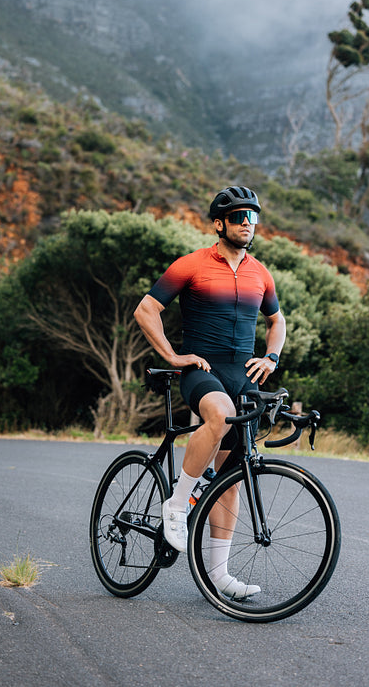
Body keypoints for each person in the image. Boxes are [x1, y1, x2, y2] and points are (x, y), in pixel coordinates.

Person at [133, 186, 286, 598]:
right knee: (217, 414)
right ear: (219, 223)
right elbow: (146, 309)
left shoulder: (260, 273)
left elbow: (277, 321)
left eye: (252, 217)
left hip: (244, 373)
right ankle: (178, 503)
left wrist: (270, 358)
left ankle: (218, 575)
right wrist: (174, 355)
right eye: (238, 217)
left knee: (231, 479)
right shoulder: (192, 264)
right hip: (202, 368)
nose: (246, 224)